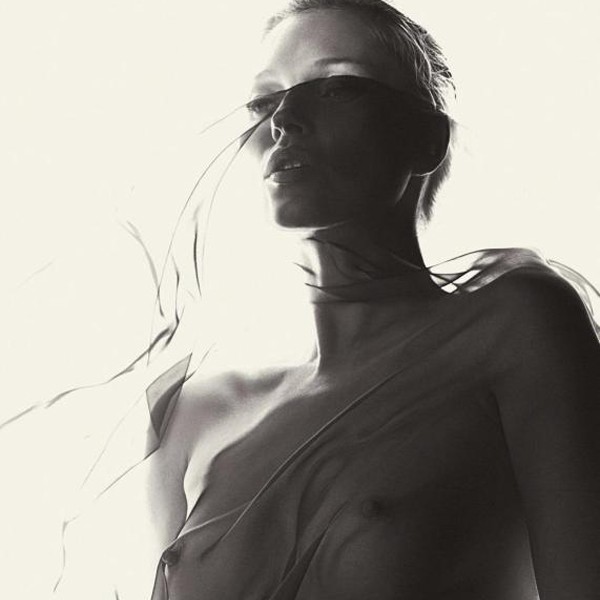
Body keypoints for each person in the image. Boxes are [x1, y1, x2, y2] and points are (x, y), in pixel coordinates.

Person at [6, 1, 599, 599]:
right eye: (263, 102)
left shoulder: (514, 326)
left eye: (337, 86)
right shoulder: (193, 410)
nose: (284, 120)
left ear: (425, 138)